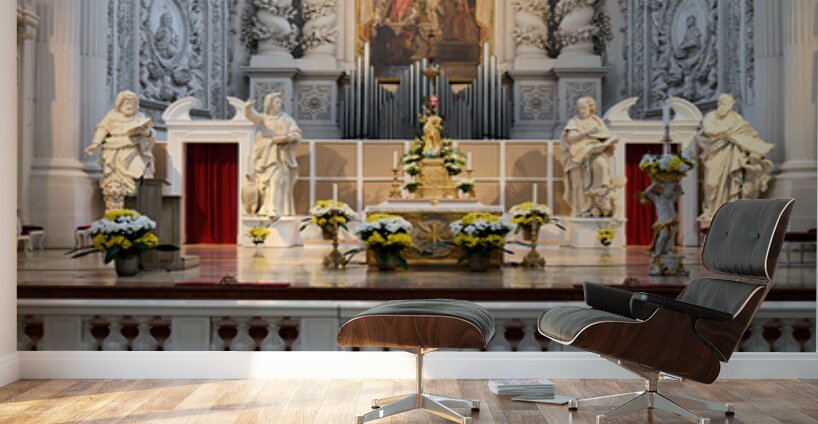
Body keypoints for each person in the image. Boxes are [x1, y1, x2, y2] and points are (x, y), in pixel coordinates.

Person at [696, 93, 775, 220]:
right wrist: (728, 133)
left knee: (732, 181)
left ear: (731, 104)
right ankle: (711, 210)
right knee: (711, 183)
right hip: (714, 153)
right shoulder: (711, 116)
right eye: (720, 102)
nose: (722, 104)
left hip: (732, 153)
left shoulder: (737, 119)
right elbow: (709, 130)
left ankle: (729, 209)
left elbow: (751, 134)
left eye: (725, 102)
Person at [86, 90, 156, 210]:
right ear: (119, 104)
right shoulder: (111, 116)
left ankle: (131, 195)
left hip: (133, 151)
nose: (129, 106)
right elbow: (102, 129)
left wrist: (147, 133)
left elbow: (152, 134)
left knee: (138, 169)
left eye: (132, 103)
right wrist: (95, 143)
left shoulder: (140, 117)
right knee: (114, 180)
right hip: (113, 151)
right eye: (126, 103)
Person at [560, 97, 622, 217]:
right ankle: (582, 210)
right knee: (579, 184)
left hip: (595, 152)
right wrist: (587, 133)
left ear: (590, 108)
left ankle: (598, 204)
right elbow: (571, 138)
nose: (580, 110)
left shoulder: (597, 121)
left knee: (602, 166)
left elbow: (605, 135)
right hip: (577, 156)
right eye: (578, 108)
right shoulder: (574, 121)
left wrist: (609, 140)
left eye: (583, 108)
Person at [244, 92, 302, 217]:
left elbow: (296, 133)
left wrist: (288, 138)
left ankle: (276, 207)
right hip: (267, 154)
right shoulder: (264, 118)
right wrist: (248, 107)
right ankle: (267, 206)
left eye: (280, 102)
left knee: (279, 180)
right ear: (269, 104)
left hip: (282, 155)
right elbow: (251, 116)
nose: (279, 105)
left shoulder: (286, 118)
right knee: (267, 182)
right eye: (276, 102)